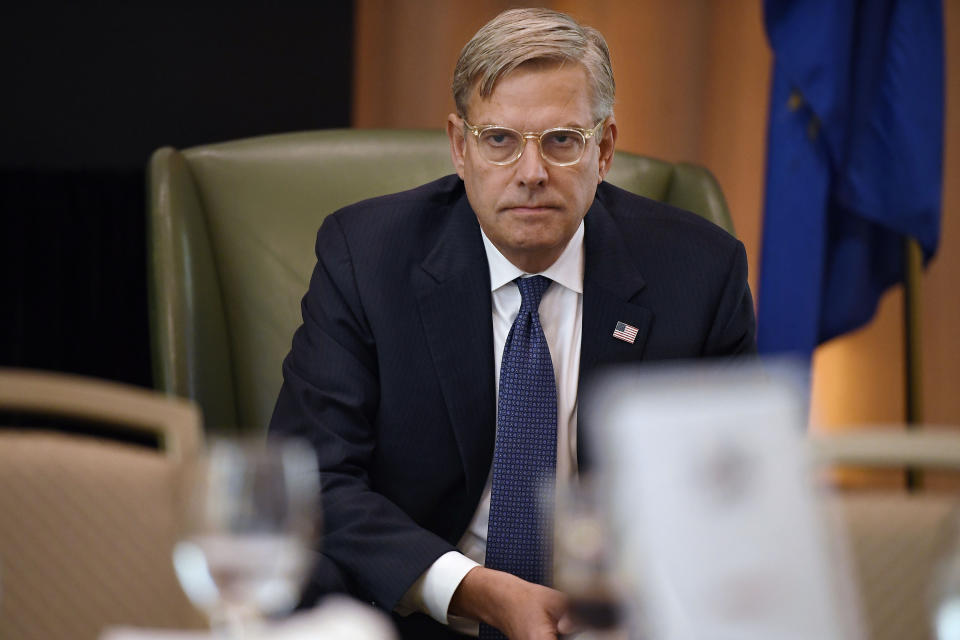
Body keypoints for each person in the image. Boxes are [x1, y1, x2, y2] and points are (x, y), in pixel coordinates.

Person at [269, 7, 756, 639]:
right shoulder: (366, 257)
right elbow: (312, 478)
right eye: (499, 140)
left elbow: (732, 500)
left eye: (561, 141)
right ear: (459, 146)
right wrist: (475, 591)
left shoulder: (700, 273)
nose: (531, 173)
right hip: (417, 615)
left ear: (603, 149)